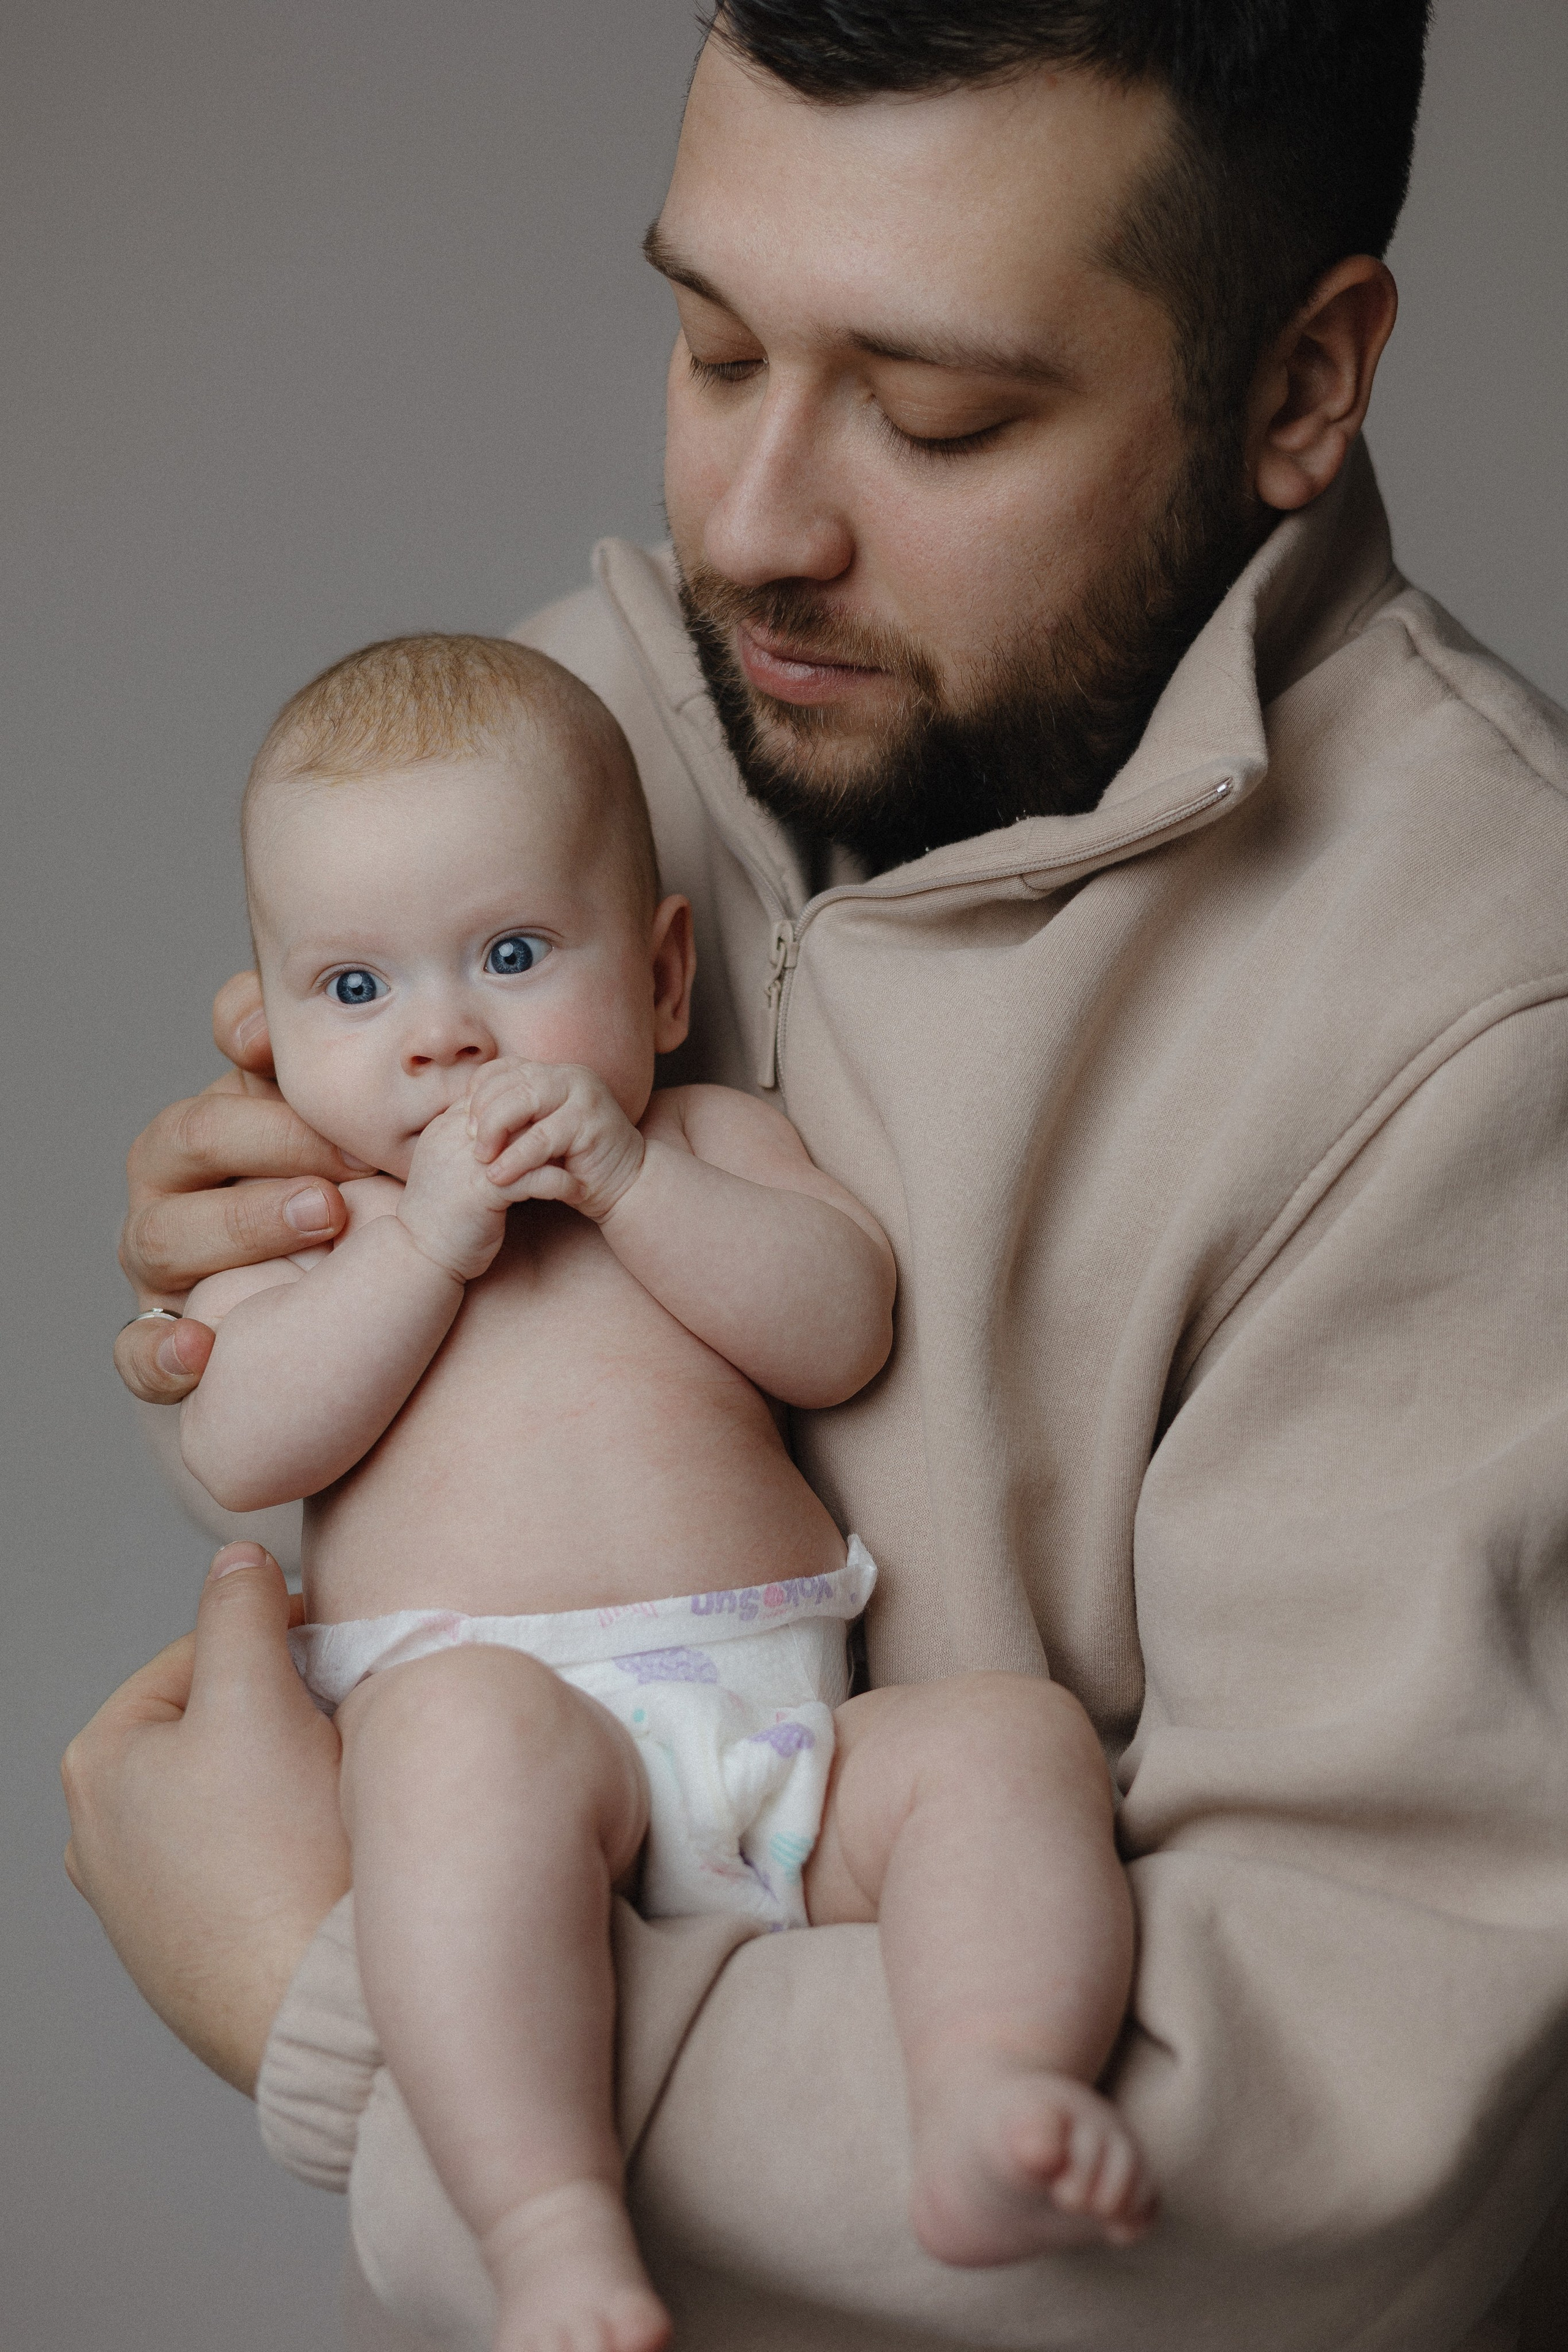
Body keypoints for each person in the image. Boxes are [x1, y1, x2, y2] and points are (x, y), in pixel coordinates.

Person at [65, 4, 1568, 2347]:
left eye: (937, 412)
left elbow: (1318, 2167)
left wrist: (316, 2000)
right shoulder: (588, 737)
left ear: (1301, 383)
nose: (754, 532)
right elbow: (288, 1376)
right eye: (712, 343)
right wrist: (239, 1281)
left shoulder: (1486, 1010)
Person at [175, 628, 1153, 2352]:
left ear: (664, 976)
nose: (443, 1038)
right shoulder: (323, 1237)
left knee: (1007, 1743)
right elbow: (243, 1445)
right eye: (355, 990)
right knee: (459, 1754)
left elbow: (841, 1329)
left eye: (512, 955)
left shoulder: (704, 1145)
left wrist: (631, 1184)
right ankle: (548, 2227)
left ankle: (991, 2090)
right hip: (497, 1742)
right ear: (266, 1031)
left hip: (785, 1744)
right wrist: (421, 1249)